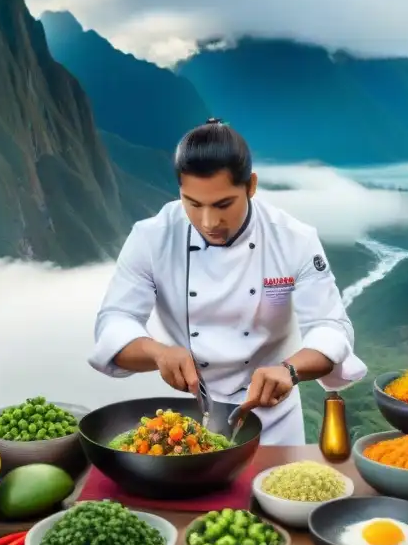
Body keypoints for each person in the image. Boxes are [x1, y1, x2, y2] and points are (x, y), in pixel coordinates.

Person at [88, 118, 367, 445]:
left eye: (223, 205)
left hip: (272, 420)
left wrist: (289, 370)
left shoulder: (294, 239)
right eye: (192, 204)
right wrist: (158, 353)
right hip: (186, 419)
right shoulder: (151, 237)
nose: (208, 222)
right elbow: (114, 321)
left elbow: (331, 326)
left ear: (250, 186)